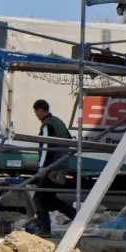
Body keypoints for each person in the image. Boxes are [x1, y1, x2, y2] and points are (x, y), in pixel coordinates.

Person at [30, 100, 77, 237]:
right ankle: (74, 214)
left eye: (35, 112)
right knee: (49, 198)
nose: (36, 115)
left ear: (39, 110)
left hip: (51, 167)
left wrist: (42, 167)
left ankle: (45, 230)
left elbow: (46, 147)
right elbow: (69, 140)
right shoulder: (59, 122)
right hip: (61, 166)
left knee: (39, 198)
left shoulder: (47, 125)